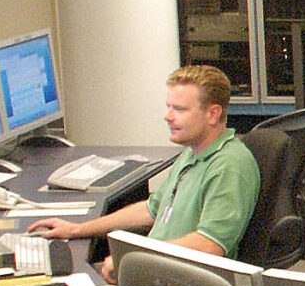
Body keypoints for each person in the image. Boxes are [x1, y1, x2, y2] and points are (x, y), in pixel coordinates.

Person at [29, 64, 261, 269]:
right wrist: (78, 230)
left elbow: (209, 245)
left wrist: (130, 257)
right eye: (168, 107)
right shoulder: (193, 153)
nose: (167, 116)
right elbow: (151, 210)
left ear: (213, 114)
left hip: (183, 280)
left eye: (179, 109)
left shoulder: (230, 166)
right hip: (155, 267)